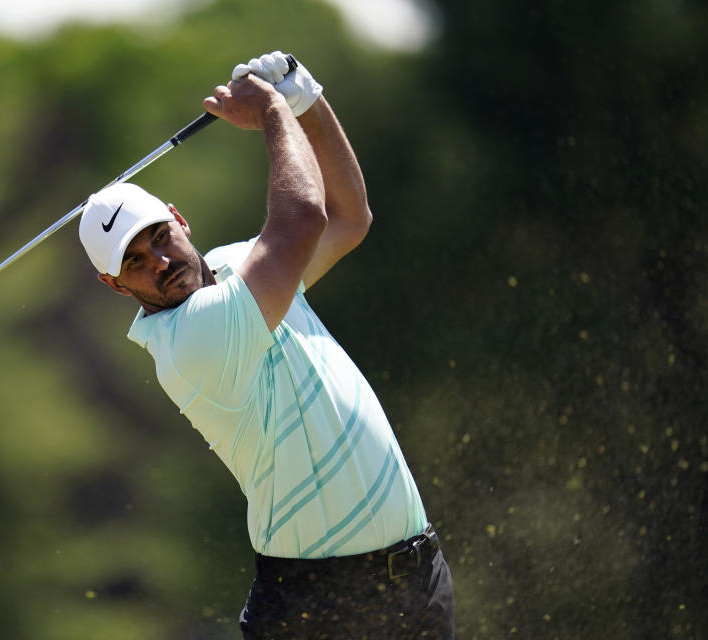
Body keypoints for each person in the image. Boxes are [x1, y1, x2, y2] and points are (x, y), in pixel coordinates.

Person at [78, 51, 455, 639]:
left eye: (159, 236)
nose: (159, 260)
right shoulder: (190, 340)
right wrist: (275, 110)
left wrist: (309, 101)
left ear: (180, 219)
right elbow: (302, 215)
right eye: (134, 261)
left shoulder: (238, 266)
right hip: (318, 605)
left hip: (415, 577)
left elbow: (349, 218)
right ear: (114, 284)